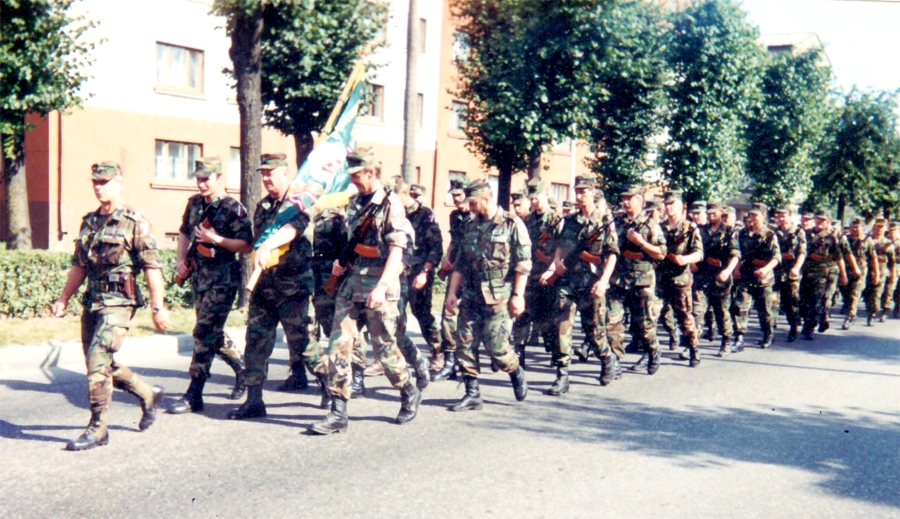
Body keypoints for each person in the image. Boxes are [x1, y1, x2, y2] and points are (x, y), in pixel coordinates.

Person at [50, 161, 170, 451]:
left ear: (119, 183)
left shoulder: (135, 222)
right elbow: (79, 266)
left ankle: (98, 428)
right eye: (95, 182)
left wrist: (158, 306)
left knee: (98, 361)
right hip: (93, 301)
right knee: (99, 362)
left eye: (105, 182)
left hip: (119, 303)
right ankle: (148, 392)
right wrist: (63, 298)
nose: (99, 187)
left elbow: (151, 267)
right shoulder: (89, 221)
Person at [309, 148, 420, 434]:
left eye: (357, 176)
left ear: (371, 173)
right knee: (338, 344)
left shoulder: (391, 205)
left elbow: (398, 250)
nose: (353, 181)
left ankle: (408, 389)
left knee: (384, 349)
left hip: (379, 285)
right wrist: (340, 263)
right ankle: (338, 411)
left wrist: (382, 287)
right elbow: (352, 241)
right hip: (351, 283)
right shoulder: (356, 202)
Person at [228, 153, 326, 420]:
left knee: (302, 343)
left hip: (292, 285)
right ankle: (254, 400)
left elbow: (294, 229)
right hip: (265, 285)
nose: (266, 178)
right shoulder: (263, 206)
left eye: (271, 173)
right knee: (256, 342)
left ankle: (329, 384)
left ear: (285, 173)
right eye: (263, 173)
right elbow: (254, 241)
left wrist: (269, 244)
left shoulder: (300, 200)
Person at [167, 158, 253, 415]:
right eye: (198, 179)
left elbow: (247, 245)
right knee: (210, 331)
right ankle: (241, 368)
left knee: (203, 332)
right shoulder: (194, 204)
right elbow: (184, 231)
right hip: (200, 277)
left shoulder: (232, 208)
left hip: (223, 279)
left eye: (206, 179)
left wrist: (216, 239)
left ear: (219, 178)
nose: (201, 184)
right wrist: (181, 260)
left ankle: (195, 392)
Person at [445, 179, 530, 411]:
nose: (469, 206)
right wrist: (452, 293)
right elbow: (461, 263)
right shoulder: (470, 226)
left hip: (499, 295)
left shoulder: (512, 224)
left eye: (472, 202)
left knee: (498, 349)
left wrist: (518, 295)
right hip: (471, 294)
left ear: (485, 199)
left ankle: (515, 370)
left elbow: (523, 263)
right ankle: (472, 394)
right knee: (464, 343)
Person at [540, 175, 619, 391]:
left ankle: (607, 358)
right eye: (577, 191)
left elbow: (612, 254)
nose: (579, 195)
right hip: (568, 282)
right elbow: (559, 245)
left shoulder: (605, 221)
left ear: (593, 192)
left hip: (592, 282)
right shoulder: (571, 220)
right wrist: (556, 261)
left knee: (594, 331)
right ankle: (562, 375)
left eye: (584, 191)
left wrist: (603, 281)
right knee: (562, 325)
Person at [607, 184, 667, 375]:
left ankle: (654, 350)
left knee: (644, 324)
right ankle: (615, 360)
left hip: (642, 280)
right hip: (618, 278)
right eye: (624, 198)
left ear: (640, 201)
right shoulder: (616, 223)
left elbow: (661, 253)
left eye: (629, 198)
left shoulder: (650, 225)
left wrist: (641, 243)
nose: (625, 202)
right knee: (612, 320)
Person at [511, 179, 559, 367]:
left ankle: (556, 352)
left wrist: (552, 269)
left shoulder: (556, 219)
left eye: (537, 197)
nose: (534, 202)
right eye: (531, 198)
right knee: (522, 314)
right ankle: (519, 352)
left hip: (549, 276)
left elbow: (561, 248)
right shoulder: (528, 220)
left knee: (548, 318)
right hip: (529, 275)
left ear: (545, 194)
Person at [432, 177, 474, 381]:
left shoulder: (478, 216)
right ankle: (450, 362)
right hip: (457, 270)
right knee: (449, 313)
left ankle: (471, 361)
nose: (456, 199)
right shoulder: (455, 216)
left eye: (459, 195)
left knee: (471, 319)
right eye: (453, 195)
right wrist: (447, 258)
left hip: (474, 273)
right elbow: (454, 241)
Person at [657, 191, 704, 366]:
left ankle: (693, 349)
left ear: (681, 206)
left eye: (672, 204)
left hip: (680, 279)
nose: (668, 207)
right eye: (666, 204)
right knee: (654, 313)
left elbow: (699, 253)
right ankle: (650, 353)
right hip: (661, 278)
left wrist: (686, 259)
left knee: (685, 316)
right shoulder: (659, 227)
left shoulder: (689, 228)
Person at [692, 201, 740, 357]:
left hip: (720, 278)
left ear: (721, 212)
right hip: (702, 276)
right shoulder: (700, 230)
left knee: (721, 311)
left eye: (714, 213)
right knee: (697, 311)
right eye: (709, 213)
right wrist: (692, 262)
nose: (711, 216)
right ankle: (693, 345)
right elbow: (692, 248)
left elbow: (735, 255)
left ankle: (726, 341)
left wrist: (727, 271)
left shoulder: (729, 231)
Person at [732, 203, 780, 350]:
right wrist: (736, 269)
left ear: (763, 216)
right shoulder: (743, 234)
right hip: (745, 276)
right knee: (741, 306)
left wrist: (765, 269)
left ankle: (767, 334)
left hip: (762, 279)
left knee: (764, 309)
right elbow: (737, 253)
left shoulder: (770, 235)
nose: (752, 218)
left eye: (756, 215)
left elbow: (776, 257)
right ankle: (739, 337)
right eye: (751, 215)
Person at [799, 208, 847, 340]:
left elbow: (838, 257)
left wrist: (843, 275)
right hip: (806, 273)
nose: (819, 222)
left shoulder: (831, 238)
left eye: (823, 220)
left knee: (816, 301)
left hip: (822, 275)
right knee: (803, 301)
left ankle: (810, 327)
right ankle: (813, 320)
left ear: (827, 222)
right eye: (818, 219)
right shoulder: (805, 234)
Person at [772, 206, 807, 342]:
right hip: (776, 271)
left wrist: (797, 267)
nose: (781, 219)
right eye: (778, 216)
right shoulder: (773, 232)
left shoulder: (798, 232)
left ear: (790, 216)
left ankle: (793, 327)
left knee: (791, 301)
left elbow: (802, 252)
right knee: (772, 300)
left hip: (791, 271)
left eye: (783, 216)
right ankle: (770, 329)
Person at [843, 217, 876, 330]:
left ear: (862, 227)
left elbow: (873, 258)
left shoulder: (868, 241)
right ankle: (849, 310)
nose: (854, 229)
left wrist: (876, 274)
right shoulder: (846, 240)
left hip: (860, 272)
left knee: (854, 294)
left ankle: (850, 316)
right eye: (853, 226)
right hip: (846, 271)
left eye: (857, 227)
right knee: (846, 295)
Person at [865, 218, 896, 326]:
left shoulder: (888, 244)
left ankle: (873, 314)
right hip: (867, 271)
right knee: (867, 294)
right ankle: (871, 309)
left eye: (881, 227)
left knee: (876, 294)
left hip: (882, 272)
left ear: (885, 229)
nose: (878, 229)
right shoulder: (867, 240)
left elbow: (892, 262)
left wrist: (893, 275)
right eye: (877, 226)